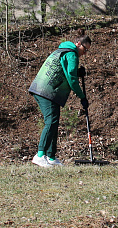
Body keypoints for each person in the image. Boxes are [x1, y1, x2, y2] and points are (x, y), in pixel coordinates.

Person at [28, 34, 91, 167]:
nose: (85, 53)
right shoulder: (72, 54)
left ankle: (51, 157)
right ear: (78, 44)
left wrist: (77, 73)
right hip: (46, 90)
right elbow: (71, 79)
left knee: (54, 122)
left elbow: (66, 71)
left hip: (44, 89)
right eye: (85, 49)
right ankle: (40, 155)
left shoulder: (62, 51)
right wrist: (82, 97)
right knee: (51, 121)